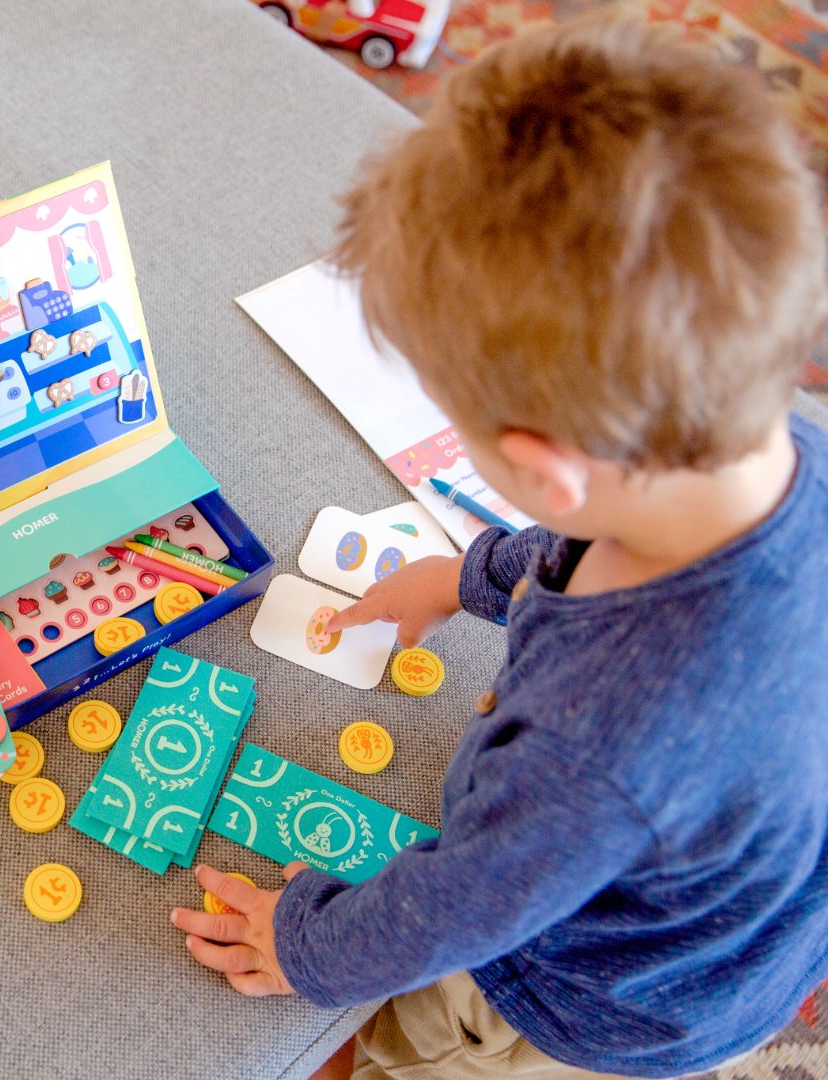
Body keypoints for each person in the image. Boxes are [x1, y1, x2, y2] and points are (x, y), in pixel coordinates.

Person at [170, 12, 828, 1078]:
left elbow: (451, 910)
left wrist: (303, 946)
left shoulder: (594, 750)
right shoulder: (769, 449)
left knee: (424, 1046)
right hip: (738, 897)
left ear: (543, 469)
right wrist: (463, 574)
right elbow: (581, 546)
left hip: (586, 996)